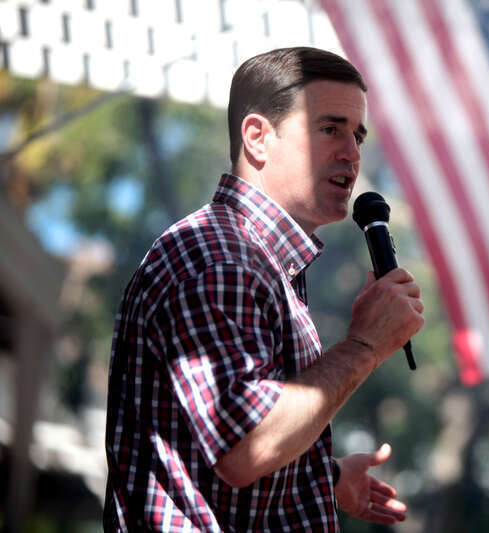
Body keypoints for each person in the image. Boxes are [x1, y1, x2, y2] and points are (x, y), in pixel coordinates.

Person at [103, 46, 424, 532]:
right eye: (329, 128)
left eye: (357, 135)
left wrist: (323, 475)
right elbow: (245, 446)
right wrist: (366, 344)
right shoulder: (219, 259)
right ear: (257, 137)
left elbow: (218, 453)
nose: (352, 153)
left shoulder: (258, 261)